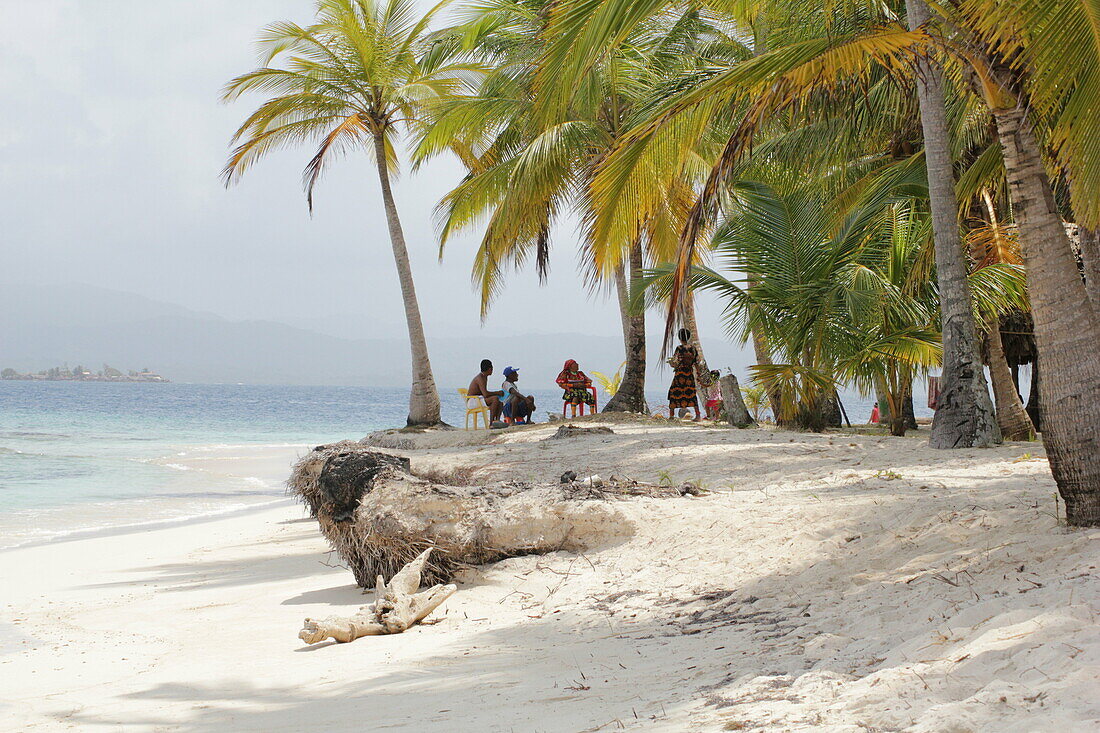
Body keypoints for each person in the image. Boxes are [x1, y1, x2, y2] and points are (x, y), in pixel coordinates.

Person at [667, 328, 701, 421]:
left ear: (679, 338)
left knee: (674, 392)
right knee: (691, 393)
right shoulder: (693, 349)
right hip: (689, 374)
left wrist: (671, 363)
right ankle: (698, 415)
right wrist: (698, 375)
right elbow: (697, 363)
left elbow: (675, 362)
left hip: (680, 374)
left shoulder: (679, 348)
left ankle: (671, 416)